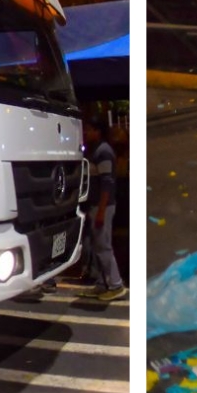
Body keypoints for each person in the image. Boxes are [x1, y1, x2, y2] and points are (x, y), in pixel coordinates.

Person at [82, 119, 125, 300]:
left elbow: (107, 184)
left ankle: (115, 284)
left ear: (98, 131)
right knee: (98, 246)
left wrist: (100, 211)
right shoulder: (96, 151)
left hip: (103, 206)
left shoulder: (103, 152)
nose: (85, 133)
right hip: (96, 206)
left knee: (103, 246)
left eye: (89, 130)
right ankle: (102, 283)